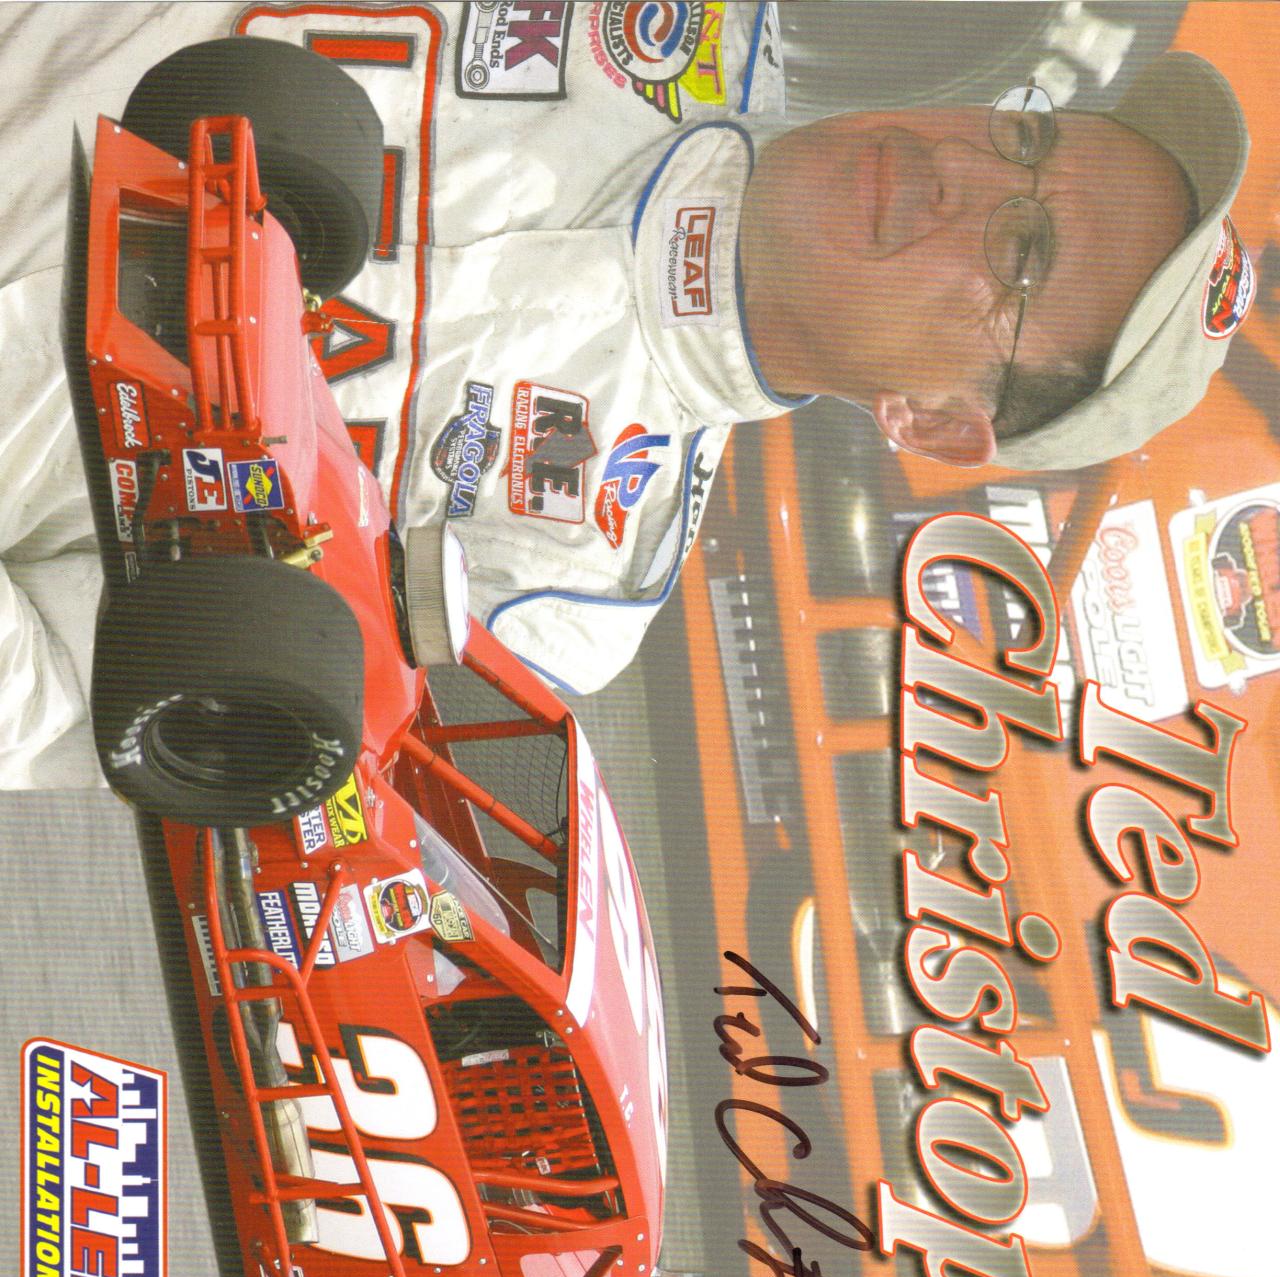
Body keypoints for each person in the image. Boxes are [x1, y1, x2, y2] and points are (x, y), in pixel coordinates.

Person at [0, 4, 1253, 787]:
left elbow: (67, 686)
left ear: (929, 422)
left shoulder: (568, 591)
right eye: (1028, 138)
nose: (960, 169)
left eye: (1020, 252)